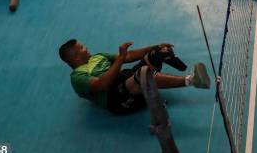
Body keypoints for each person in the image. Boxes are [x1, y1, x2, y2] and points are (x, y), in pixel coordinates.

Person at [59, 40, 210, 115]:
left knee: (159, 53)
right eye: (82, 48)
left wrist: (154, 47)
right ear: (75, 57)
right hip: (117, 98)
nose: (86, 48)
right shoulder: (77, 77)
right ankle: (192, 80)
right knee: (143, 73)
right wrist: (119, 60)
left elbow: (128, 56)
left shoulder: (97, 57)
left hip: (126, 79)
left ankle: (174, 72)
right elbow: (102, 85)